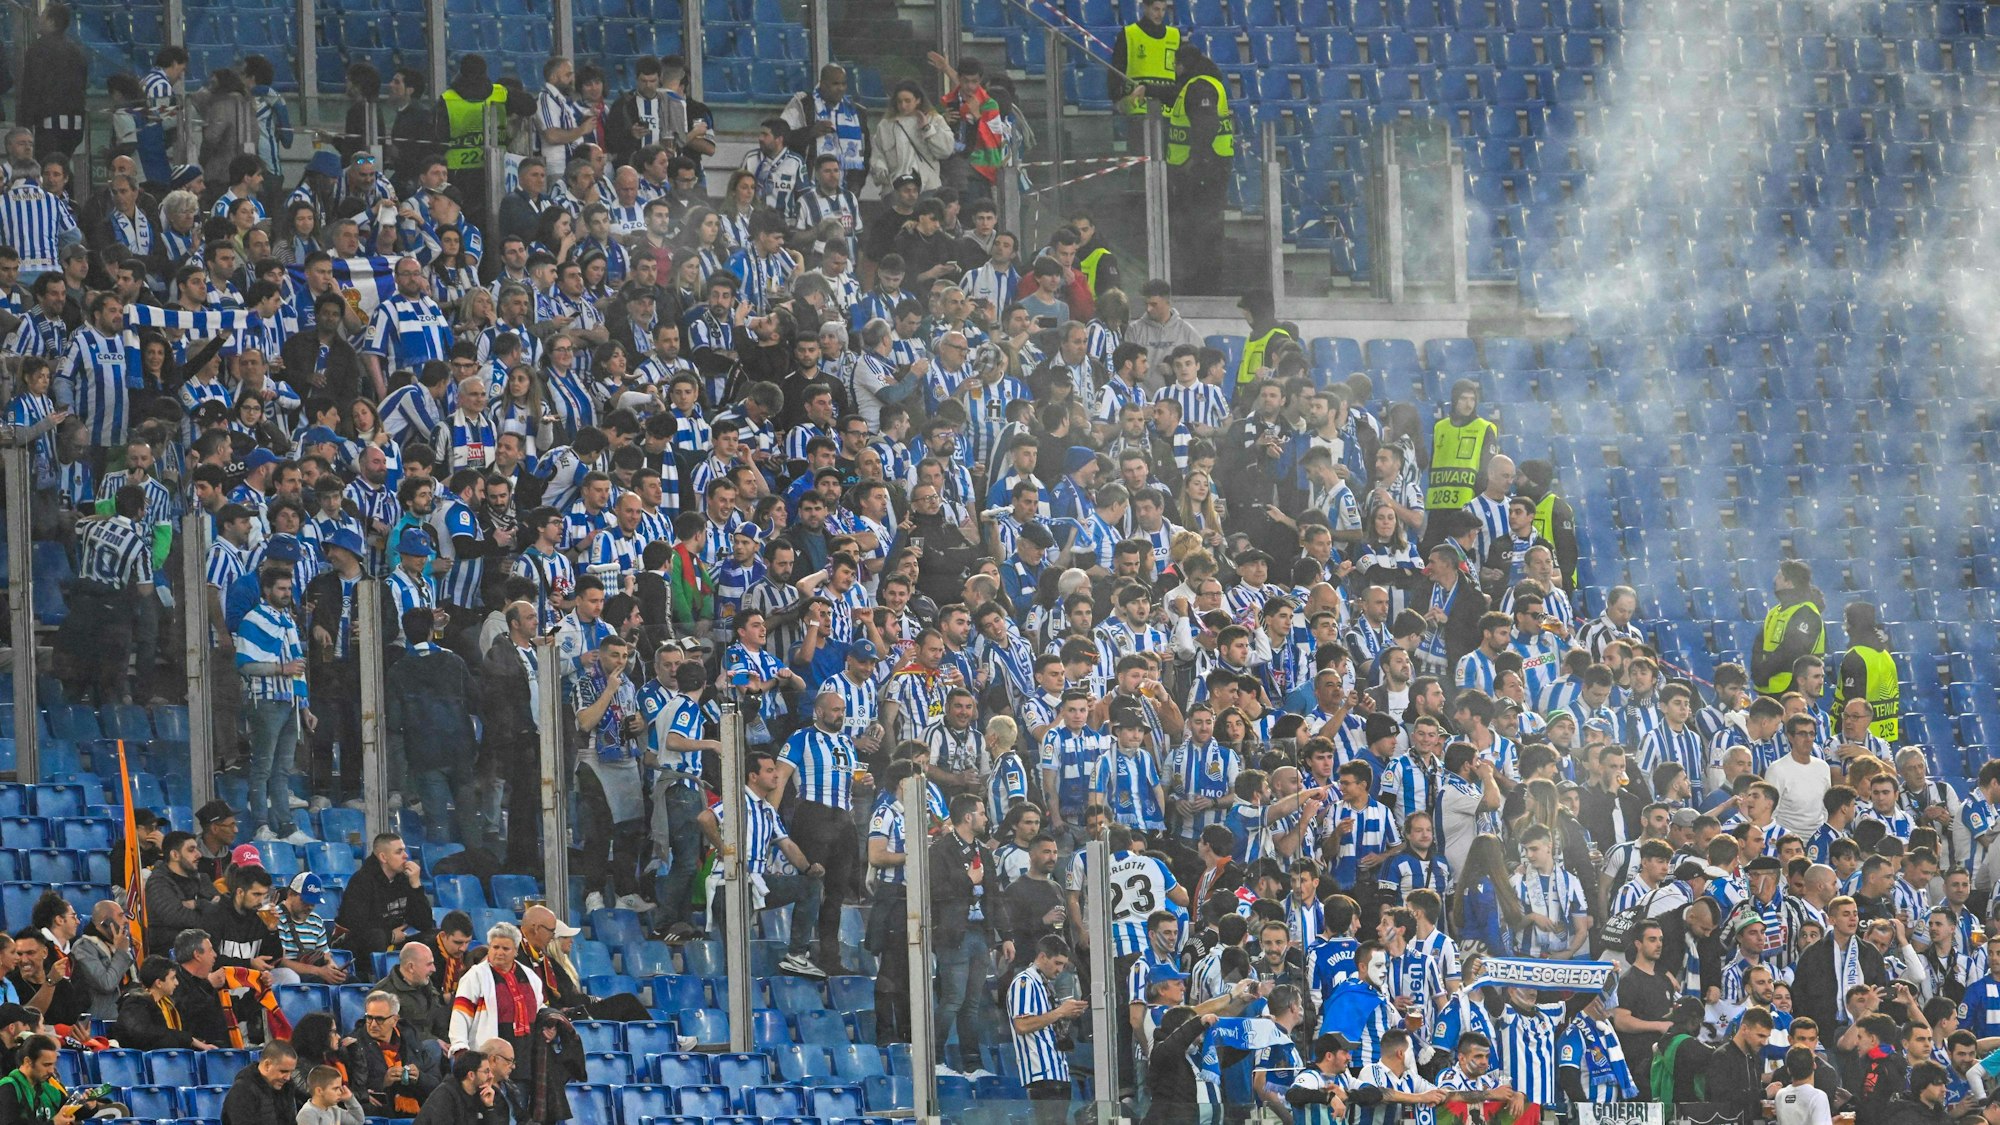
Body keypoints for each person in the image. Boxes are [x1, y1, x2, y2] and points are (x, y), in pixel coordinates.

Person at [1160, 46, 1232, 294]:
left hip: (1203, 172)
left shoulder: (1200, 86)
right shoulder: (1193, 85)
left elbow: (1206, 125)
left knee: (1200, 230)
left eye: (1178, 64)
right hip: (1201, 171)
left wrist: (1194, 160)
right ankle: (1200, 281)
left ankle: (1204, 285)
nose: (1176, 69)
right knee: (1196, 229)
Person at [1011, 935, 1090, 1125]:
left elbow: (1048, 1022)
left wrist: (1067, 1015)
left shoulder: (1044, 983)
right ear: (1042, 956)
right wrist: (1060, 1011)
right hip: (1041, 1073)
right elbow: (1021, 1025)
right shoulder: (1025, 982)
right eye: (1057, 963)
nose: (1059, 970)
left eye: (1063, 965)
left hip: (1057, 1069)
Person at [336, 833, 435, 957]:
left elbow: (425, 924)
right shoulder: (361, 881)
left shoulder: (404, 879)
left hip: (396, 939)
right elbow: (355, 926)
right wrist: (391, 936)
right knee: (377, 937)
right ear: (383, 857)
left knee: (436, 937)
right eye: (399, 852)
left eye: (404, 851)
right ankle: (375, 975)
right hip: (363, 946)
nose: (406, 856)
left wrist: (416, 885)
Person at [348, 990, 442, 1118]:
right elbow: (349, 1089)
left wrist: (420, 1078)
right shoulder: (354, 1045)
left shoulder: (410, 1039)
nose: (373, 1024)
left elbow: (437, 1083)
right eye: (369, 1018)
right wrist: (383, 1082)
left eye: (380, 1019)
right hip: (381, 1113)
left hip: (419, 1110)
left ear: (394, 1020)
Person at [0, 1035, 78, 1125]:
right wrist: (53, 1123)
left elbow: (68, 1108)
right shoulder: (8, 1088)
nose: (51, 1070)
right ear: (28, 1061)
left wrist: (90, 1105)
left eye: (53, 1064)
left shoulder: (48, 1087)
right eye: (46, 1065)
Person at [221, 1040, 302, 1125]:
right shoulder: (241, 1090)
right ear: (267, 1065)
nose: (288, 1078)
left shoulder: (287, 1087)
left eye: (291, 1072)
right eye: (283, 1071)